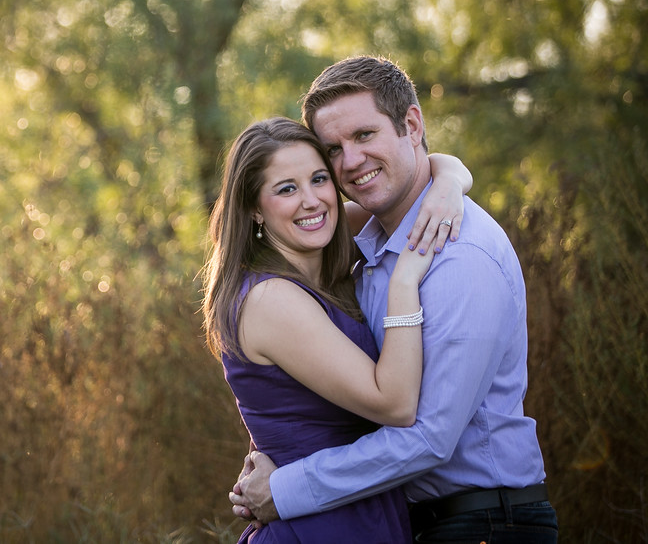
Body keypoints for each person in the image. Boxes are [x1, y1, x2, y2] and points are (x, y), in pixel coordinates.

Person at [229, 56, 558, 543]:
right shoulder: (365, 242)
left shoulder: (460, 257)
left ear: (411, 124)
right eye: (333, 149)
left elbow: (428, 436)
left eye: (365, 136)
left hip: (485, 523)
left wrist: (286, 487)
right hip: (406, 520)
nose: (351, 162)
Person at [202, 116, 468, 542]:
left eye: (319, 179)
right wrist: (404, 280)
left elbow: (425, 179)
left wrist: (452, 181)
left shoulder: (325, 242)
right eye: (286, 188)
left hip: (354, 508)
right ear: (254, 207)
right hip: (316, 525)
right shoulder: (270, 299)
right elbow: (396, 404)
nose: (311, 200)